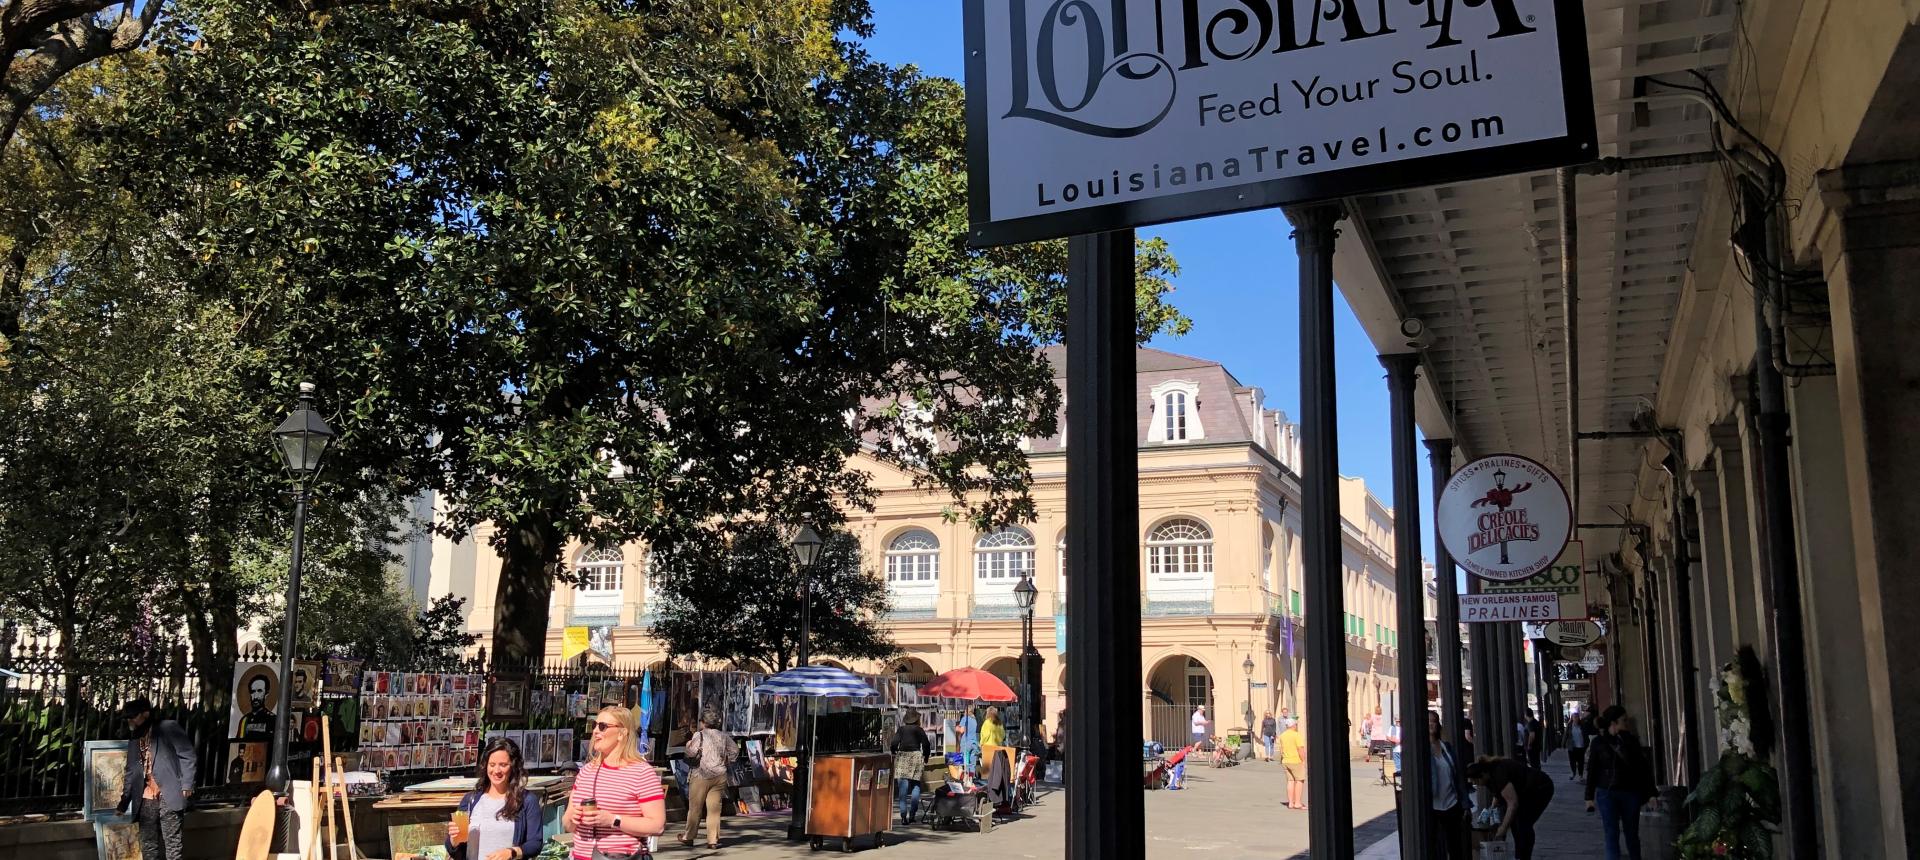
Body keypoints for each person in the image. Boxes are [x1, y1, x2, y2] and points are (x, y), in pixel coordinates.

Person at [566, 706, 667, 860]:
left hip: (620, 856)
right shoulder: (586, 771)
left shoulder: (641, 772)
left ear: (622, 733)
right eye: (595, 725)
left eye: (603, 726)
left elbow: (657, 825)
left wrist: (613, 820)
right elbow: (567, 824)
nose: (595, 732)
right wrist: (573, 817)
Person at [118, 698, 196, 860]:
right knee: (148, 844)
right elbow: (131, 771)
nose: (130, 720)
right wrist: (124, 801)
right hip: (146, 795)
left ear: (146, 714)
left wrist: (187, 784)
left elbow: (187, 755)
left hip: (169, 792)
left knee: (173, 844)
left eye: (133, 716)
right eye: (127, 717)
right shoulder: (134, 737)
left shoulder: (167, 728)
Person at [447, 737, 545, 860]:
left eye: (503, 765)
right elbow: (455, 850)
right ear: (485, 766)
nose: (496, 770)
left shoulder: (527, 801)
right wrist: (453, 839)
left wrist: (512, 852)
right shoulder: (470, 800)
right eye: (492, 765)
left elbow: (535, 843)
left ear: (513, 767)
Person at [1585, 706, 1656, 860]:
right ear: (1614, 722)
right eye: (1624, 720)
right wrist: (1588, 797)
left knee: (1632, 834)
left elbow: (1643, 768)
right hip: (1607, 793)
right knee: (1611, 834)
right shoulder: (1598, 742)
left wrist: (1651, 794)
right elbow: (1592, 770)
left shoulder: (1631, 740)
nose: (1627, 723)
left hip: (1630, 792)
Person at [1465, 756, 1556, 860]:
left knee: (1523, 823)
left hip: (1539, 788)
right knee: (1515, 824)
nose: (1475, 784)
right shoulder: (1489, 776)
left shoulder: (1499, 773)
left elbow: (1512, 803)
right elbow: (1498, 794)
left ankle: (1524, 856)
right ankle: (1520, 855)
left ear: (1482, 775)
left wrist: (1503, 828)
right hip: (1524, 792)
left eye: (1476, 781)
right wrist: (1491, 809)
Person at [680, 710, 731, 850]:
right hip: (719, 775)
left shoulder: (699, 735)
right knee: (714, 809)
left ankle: (689, 837)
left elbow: (691, 753)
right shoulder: (723, 736)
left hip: (701, 775)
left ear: (703, 722)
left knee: (695, 808)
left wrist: (688, 745)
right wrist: (726, 761)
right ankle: (712, 840)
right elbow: (734, 751)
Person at [1427, 710, 1471, 860]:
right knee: (1435, 847)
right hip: (1432, 806)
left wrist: (1465, 803)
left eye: (1434, 720)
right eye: (1428, 721)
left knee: (1455, 846)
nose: (1431, 724)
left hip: (1452, 803)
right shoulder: (1421, 749)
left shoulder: (1446, 747)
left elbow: (1458, 776)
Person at [890, 710, 932, 825]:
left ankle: (903, 816)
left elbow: (894, 743)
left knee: (902, 789)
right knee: (916, 785)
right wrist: (926, 756)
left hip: (902, 757)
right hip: (916, 757)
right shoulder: (919, 730)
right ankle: (912, 815)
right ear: (916, 719)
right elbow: (926, 744)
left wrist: (894, 752)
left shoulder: (901, 730)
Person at [1280, 720, 1307, 810]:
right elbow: (1300, 749)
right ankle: (1298, 803)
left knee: (1290, 781)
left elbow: (1281, 749)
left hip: (1286, 760)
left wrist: (1282, 759)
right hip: (1295, 760)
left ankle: (1291, 803)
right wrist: (1303, 760)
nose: (1296, 726)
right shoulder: (1296, 735)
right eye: (1296, 724)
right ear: (1293, 726)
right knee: (1299, 780)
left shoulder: (1283, 735)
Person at [1568, 709, 1595, 782]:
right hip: (1572, 747)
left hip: (1581, 746)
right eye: (1574, 717)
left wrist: (1586, 744)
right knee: (1572, 761)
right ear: (1572, 718)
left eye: (1577, 717)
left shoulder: (1582, 726)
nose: (1576, 718)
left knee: (1580, 762)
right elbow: (1566, 735)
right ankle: (1573, 773)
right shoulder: (1570, 726)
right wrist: (1563, 744)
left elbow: (1586, 735)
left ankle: (1580, 775)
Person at [960, 704, 981, 774]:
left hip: (966, 744)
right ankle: (972, 779)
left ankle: (967, 780)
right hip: (974, 744)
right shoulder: (974, 720)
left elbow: (962, 730)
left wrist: (956, 728)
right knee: (972, 764)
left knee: (966, 764)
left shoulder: (965, 718)